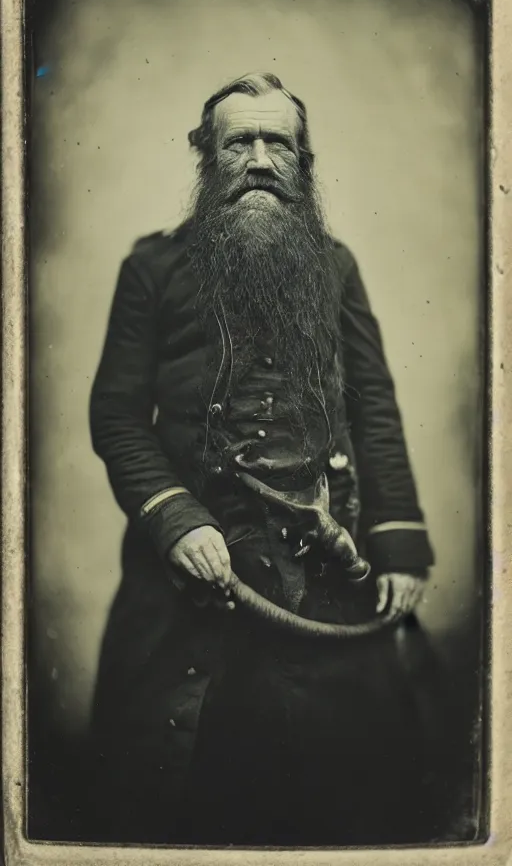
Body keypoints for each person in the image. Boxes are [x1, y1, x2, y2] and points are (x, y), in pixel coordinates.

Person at [89, 72, 440, 846]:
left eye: (276, 142)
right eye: (236, 141)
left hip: (324, 577)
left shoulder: (337, 266)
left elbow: (374, 407)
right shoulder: (153, 270)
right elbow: (116, 418)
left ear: (302, 161)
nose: (256, 158)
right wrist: (174, 522)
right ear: (207, 159)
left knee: (354, 804)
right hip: (196, 583)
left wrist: (399, 541)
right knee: (178, 806)